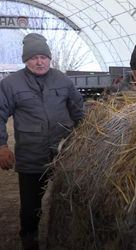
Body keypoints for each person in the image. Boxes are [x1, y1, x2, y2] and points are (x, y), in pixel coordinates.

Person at [0, 33, 84, 250]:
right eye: (34, 57)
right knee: (30, 208)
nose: (40, 62)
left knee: (70, 200)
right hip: (31, 157)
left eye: (44, 57)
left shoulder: (63, 81)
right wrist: (1, 145)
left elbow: (80, 114)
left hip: (65, 155)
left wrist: (85, 144)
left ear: (50, 58)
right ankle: (29, 239)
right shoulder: (10, 84)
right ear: (25, 60)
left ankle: (69, 237)